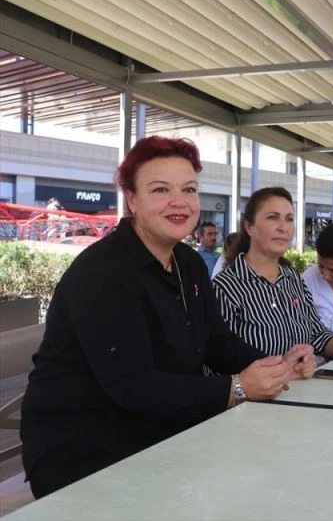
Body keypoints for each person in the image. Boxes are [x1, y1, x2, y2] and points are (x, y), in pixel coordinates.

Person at [20, 136, 314, 499]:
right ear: (132, 199)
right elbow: (132, 385)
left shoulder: (187, 262)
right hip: (85, 448)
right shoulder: (102, 273)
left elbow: (216, 341)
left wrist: (274, 366)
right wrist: (236, 388)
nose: (179, 202)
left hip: (164, 428)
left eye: (189, 189)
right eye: (160, 190)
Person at [213, 187, 333, 359]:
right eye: (272, 217)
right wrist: (283, 369)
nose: (283, 227)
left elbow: (317, 335)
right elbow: (221, 363)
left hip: (302, 384)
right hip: (261, 386)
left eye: (289, 219)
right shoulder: (225, 288)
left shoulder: (292, 278)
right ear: (249, 226)